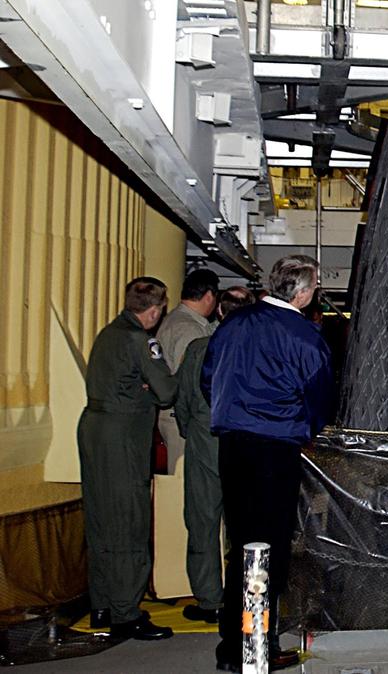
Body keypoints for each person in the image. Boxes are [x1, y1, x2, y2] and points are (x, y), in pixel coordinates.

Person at [203, 255, 335, 672]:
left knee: (238, 544)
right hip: (275, 449)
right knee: (270, 550)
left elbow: (208, 379)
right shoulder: (304, 336)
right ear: (303, 292)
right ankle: (256, 645)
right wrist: (303, 430)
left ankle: (232, 644)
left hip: (233, 445)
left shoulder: (233, 324)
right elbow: (320, 401)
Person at [78, 277, 178, 640]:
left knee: (101, 519)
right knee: (129, 521)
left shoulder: (107, 334)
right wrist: (157, 385)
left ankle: (102, 604)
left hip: (94, 431)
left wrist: (141, 388)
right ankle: (126, 613)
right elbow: (167, 392)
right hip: (123, 438)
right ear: (155, 310)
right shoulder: (141, 341)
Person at [172, 286, 254, 624]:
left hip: (206, 438)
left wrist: (191, 430)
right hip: (248, 442)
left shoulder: (199, 348)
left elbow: (184, 398)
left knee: (203, 521)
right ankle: (248, 598)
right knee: (248, 528)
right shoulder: (256, 350)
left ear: (219, 311)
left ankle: (209, 600)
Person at [156, 267, 219, 470]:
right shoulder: (190, 330)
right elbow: (191, 381)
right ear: (209, 296)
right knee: (184, 479)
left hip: (172, 416)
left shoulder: (176, 320)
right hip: (180, 419)